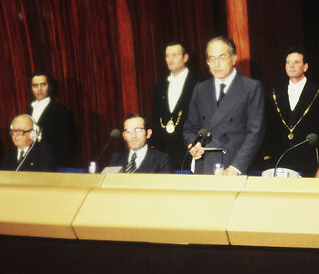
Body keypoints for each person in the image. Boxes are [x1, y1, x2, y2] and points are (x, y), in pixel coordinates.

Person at [184, 36, 264, 175]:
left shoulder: (251, 87)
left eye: (222, 57)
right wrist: (192, 144)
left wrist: (236, 167)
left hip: (234, 168)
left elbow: (255, 133)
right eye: (211, 58)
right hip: (204, 166)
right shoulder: (200, 88)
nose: (216, 64)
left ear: (233, 58)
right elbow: (190, 128)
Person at [262, 47, 319, 177]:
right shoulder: (275, 93)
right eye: (288, 62)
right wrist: (267, 160)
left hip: (308, 161)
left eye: (296, 62)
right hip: (280, 161)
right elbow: (269, 131)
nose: (291, 66)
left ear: (305, 67)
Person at [150, 40, 199, 170]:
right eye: (167, 55)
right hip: (164, 151)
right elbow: (155, 116)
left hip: (189, 149)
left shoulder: (199, 82)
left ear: (185, 57)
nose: (170, 59)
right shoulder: (160, 84)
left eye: (174, 55)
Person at [26, 71, 76, 167]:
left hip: (52, 163)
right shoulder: (28, 112)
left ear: (50, 87)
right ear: (31, 89)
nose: (39, 89)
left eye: (43, 84)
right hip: (31, 163)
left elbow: (65, 143)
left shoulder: (60, 110)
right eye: (35, 85)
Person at [108, 114, 173, 173]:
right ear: (124, 135)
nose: (133, 136)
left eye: (138, 130)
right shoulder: (116, 158)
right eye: (128, 131)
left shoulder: (162, 159)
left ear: (148, 133)